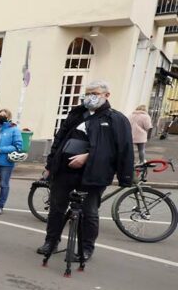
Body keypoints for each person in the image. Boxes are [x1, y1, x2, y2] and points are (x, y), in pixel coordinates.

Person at [38, 80, 133, 260]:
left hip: (94, 173)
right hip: (65, 171)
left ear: (106, 95)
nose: (90, 97)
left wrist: (88, 157)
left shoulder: (116, 119)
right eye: (88, 93)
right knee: (57, 208)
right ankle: (51, 241)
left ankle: (86, 248)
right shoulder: (76, 114)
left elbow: (120, 149)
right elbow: (59, 140)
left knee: (89, 212)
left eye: (95, 93)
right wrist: (50, 166)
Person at [0, 107, 24, 215]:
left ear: (9, 117)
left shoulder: (14, 129)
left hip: (6, 162)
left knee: (4, 184)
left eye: (3, 115)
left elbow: (18, 146)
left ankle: (0, 206)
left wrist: (1, 150)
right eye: (0, 115)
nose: (1, 117)